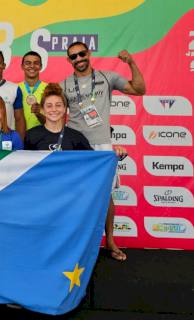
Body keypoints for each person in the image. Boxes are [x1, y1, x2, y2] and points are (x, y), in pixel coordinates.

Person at [61, 41, 145, 261]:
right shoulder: (64, 84)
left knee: (105, 195)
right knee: (75, 195)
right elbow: (54, 112)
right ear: (68, 60)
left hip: (101, 146)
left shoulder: (108, 77)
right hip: (75, 146)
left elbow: (139, 89)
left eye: (81, 54)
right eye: (73, 56)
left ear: (88, 54)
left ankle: (110, 242)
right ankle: (75, 243)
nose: (78, 59)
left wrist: (131, 63)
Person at [17, 51, 47, 130]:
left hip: (42, 137)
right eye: (28, 63)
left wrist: (39, 113)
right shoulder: (15, 89)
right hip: (20, 135)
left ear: (40, 66)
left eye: (36, 63)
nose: (32, 66)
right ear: (22, 66)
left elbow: (53, 121)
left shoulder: (48, 89)